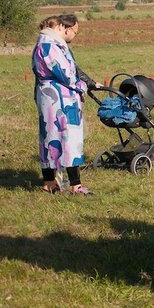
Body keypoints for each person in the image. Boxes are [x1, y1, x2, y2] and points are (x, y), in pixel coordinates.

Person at [32, 14, 94, 195]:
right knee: (66, 140)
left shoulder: (50, 43)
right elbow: (66, 73)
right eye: (75, 31)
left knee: (52, 138)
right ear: (62, 27)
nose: (75, 35)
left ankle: (52, 183)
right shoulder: (49, 45)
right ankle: (73, 185)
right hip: (58, 100)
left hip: (54, 98)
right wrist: (83, 86)